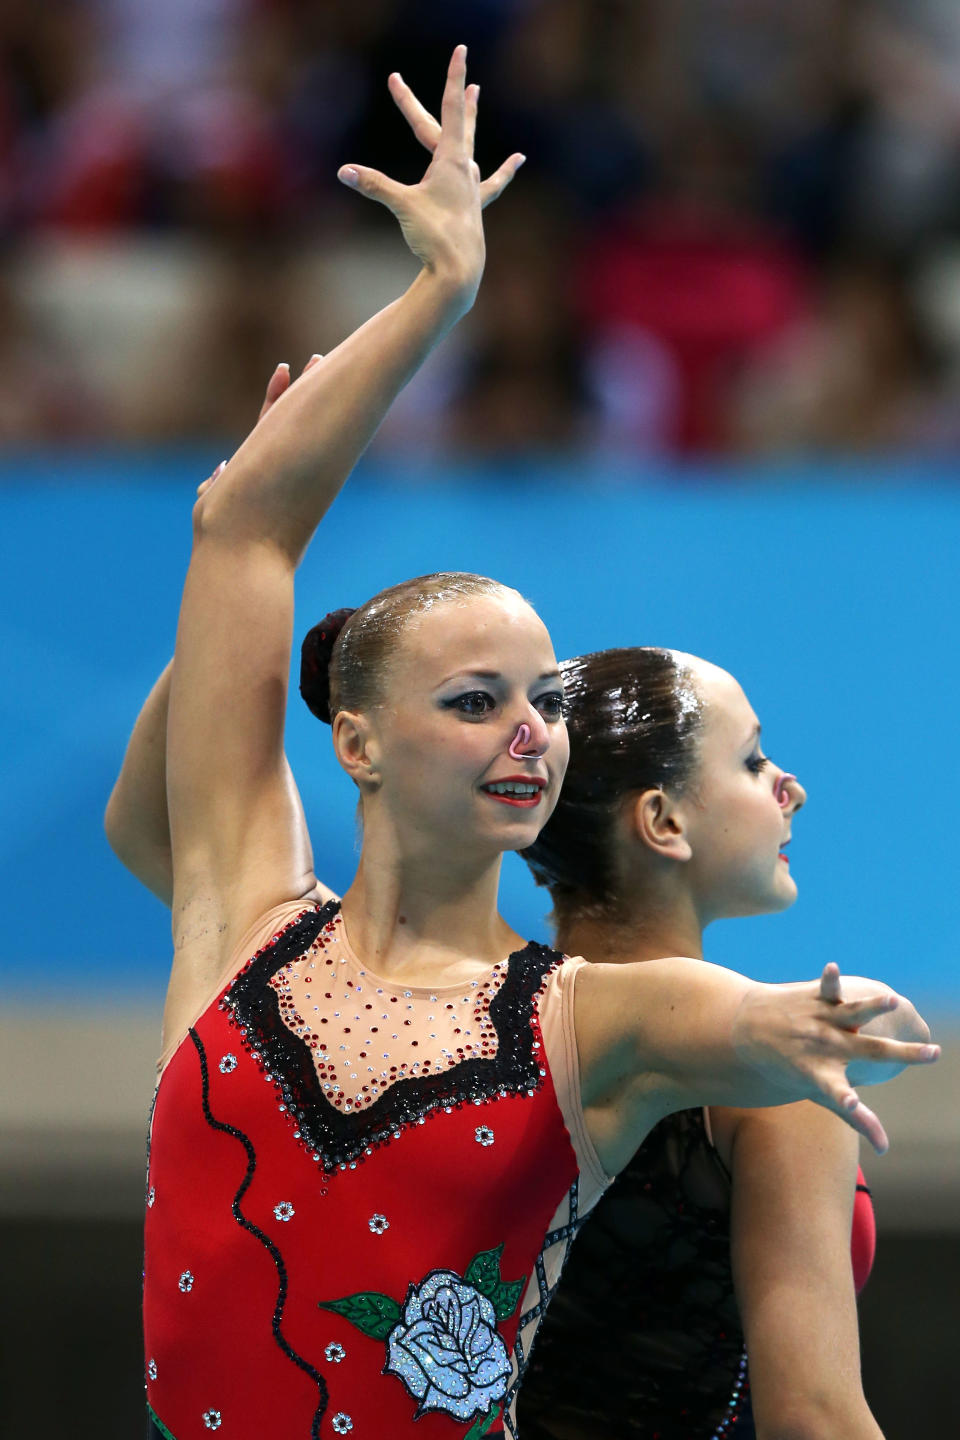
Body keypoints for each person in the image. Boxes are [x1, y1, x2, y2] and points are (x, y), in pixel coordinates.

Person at [106, 49, 937, 1440]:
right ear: (356, 743)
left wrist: (797, 1021)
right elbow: (245, 529)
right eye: (475, 698)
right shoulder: (240, 923)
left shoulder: (569, 1012)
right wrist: (440, 294)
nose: (525, 733)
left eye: (545, 699)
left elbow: (705, 1009)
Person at [519, 648, 906, 1440]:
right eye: (753, 759)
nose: (791, 786)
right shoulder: (772, 1068)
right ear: (663, 821)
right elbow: (816, 1418)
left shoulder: (475, 1029)